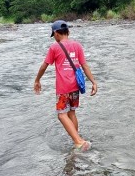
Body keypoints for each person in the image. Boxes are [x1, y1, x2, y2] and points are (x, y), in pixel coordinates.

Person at [34, 20, 97, 152]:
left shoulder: (54, 47)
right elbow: (84, 65)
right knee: (71, 113)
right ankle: (77, 141)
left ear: (56, 33)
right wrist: (93, 82)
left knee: (61, 115)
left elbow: (44, 65)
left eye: (54, 35)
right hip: (75, 86)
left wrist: (37, 80)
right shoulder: (77, 45)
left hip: (63, 87)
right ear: (68, 31)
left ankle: (79, 141)